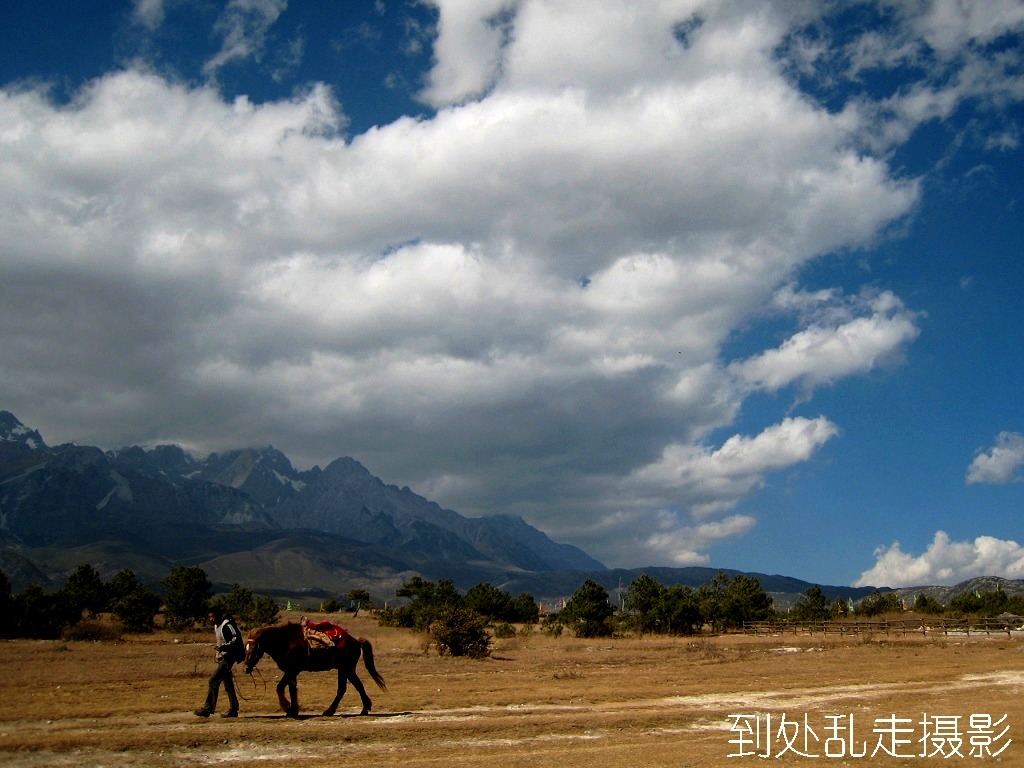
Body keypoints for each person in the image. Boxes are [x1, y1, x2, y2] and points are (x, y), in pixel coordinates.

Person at [193, 606, 243, 718]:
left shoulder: (227, 625)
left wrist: (224, 647)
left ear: (218, 616)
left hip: (229, 657)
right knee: (228, 684)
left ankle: (208, 709)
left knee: (213, 680)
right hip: (223, 657)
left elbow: (236, 639)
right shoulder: (217, 626)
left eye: (212, 617)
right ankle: (233, 709)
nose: (210, 619)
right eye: (209, 617)